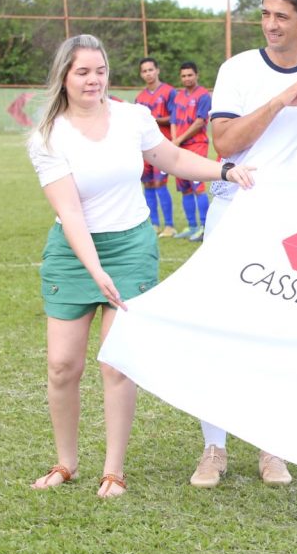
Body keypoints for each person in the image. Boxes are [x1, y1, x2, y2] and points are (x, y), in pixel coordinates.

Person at [27, 34, 253, 498]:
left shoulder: (134, 117)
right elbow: (70, 213)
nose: (93, 80)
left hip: (131, 248)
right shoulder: (48, 136)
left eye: (100, 70)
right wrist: (94, 270)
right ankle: (66, 462)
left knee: (116, 362)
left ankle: (114, 470)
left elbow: (169, 158)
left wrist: (225, 170)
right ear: (64, 77)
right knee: (62, 366)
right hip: (75, 254)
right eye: (82, 72)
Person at [191, 0, 297, 489]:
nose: (271, 25)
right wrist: (279, 101)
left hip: (296, 227)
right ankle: (214, 447)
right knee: (220, 330)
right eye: (265, 15)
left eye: (282, 16)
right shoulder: (237, 69)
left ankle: (272, 447)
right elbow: (224, 143)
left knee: (282, 332)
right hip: (235, 211)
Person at [168, 61, 212, 242]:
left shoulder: (203, 96)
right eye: (183, 76)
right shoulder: (178, 97)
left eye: (190, 75)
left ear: (197, 75)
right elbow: (173, 120)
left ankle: (205, 227)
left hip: (196, 145)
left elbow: (200, 121)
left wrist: (179, 139)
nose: (187, 78)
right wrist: (174, 140)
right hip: (179, 146)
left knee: (198, 186)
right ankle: (192, 225)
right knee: (184, 188)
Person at [134, 57, 177, 237]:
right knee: (148, 184)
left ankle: (169, 225)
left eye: (151, 70)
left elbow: (175, 116)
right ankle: (154, 224)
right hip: (144, 148)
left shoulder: (169, 92)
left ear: (157, 70)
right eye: (144, 71)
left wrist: (154, 120)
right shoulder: (140, 98)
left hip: (162, 145)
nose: (148, 74)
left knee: (160, 183)